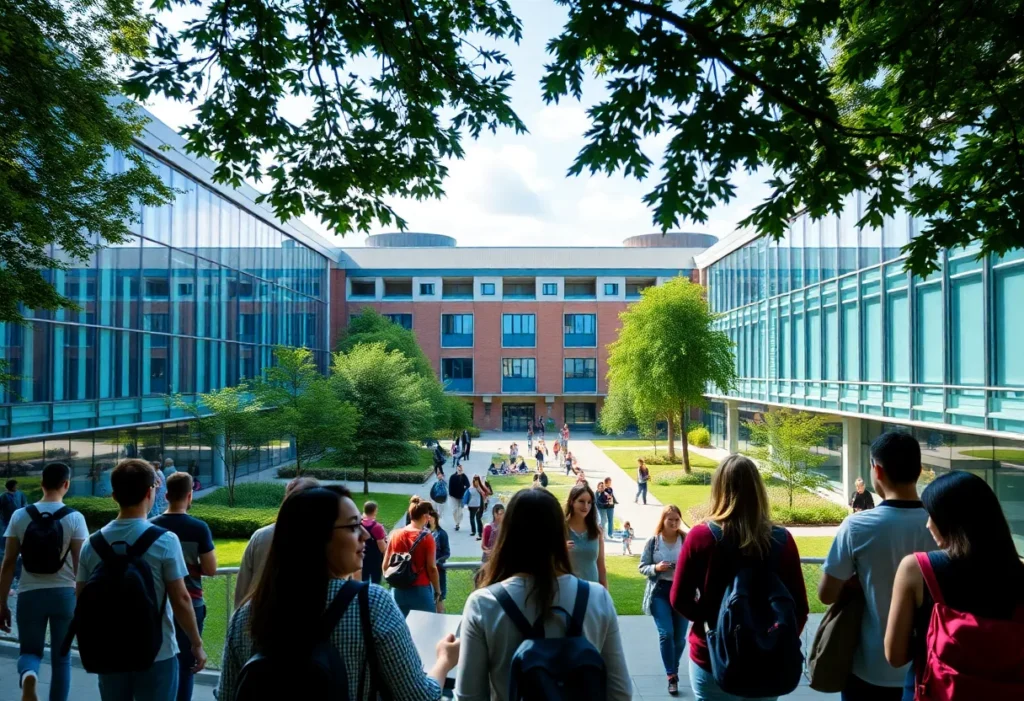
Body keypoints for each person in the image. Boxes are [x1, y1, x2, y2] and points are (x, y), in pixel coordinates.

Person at [217, 485, 457, 701]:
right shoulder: (371, 604)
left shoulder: (245, 617)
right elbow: (417, 696)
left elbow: (228, 695)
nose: (364, 535)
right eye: (353, 526)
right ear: (320, 537)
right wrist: (444, 661)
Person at [456, 488, 631, 701]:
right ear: (559, 534)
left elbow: (469, 696)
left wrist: (445, 660)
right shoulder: (597, 598)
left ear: (508, 535)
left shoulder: (484, 604)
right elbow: (620, 692)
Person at [671, 454, 809, 701]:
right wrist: (771, 640)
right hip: (767, 663)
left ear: (719, 489)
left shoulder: (701, 537)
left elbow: (679, 598)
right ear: (758, 490)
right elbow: (799, 607)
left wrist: (710, 621)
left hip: (712, 658)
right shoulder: (782, 540)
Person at [884, 471, 1024, 701]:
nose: (928, 524)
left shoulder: (916, 569)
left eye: (932, 515)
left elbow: (895, 655)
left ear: (951, 521)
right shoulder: (1020, 575)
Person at [818, 432, 935, 701]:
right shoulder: (941, 525)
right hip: (928, 665)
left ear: (877, 471)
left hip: (870, 667)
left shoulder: (857, 526)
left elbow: (826, 595)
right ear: (918, 471)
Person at [76, 459, 206, 700]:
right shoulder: (165, 540)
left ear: (114, 495)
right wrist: (195, 643)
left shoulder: (91, 545)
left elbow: (81, 598)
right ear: (150, 492)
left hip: (109, 650)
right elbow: (181, 599)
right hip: (158, 650)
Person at [0, 463, 87, 701]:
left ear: (42, 483)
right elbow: (82, 566)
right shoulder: (75, 518)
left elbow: (8, 563)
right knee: (62, 659)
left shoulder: (20, 515)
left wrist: (1, 603)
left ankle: (29, 675)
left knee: (29, 651)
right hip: (64, 596)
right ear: (66, 484)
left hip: (29, 594)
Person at [150, 472, 217, 701]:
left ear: (166, 495)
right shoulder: (199, 528)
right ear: (190, 496)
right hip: (192, 602)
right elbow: (210, 569)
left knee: (159, 661)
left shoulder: (151, 527)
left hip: (158, 603)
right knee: (187, 666)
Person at [235, 476, 320, 606]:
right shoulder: (328, 539)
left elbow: (242, 589)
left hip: (260, 616)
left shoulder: (262, 536)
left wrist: (238, 617)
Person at [639, 505, 688, 695]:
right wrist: (656, 568)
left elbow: (696, 565)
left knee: (679, 639)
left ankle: (672, 668)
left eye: (677, 519)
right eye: (670, 520)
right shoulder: (653, 541)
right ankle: (671, 676)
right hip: (660, 591)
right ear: (663, 520)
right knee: (666, 633)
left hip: (682, 591)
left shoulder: (686, 539)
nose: (674, 523)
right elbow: (643, 566)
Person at [384, 500, 443, 617]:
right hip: (420, 590)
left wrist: (394, 580)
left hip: (398, 590)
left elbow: (385, 565)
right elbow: (431, 568)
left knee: (402, 630)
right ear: (425, 516)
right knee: (426, 629)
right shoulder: (427, 537)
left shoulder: (395, 534)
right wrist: (438, 593)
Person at [565, 483, 607, 588]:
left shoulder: (596, 531)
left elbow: (601, 565)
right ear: (571, 502)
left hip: (592, 590)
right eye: (581, 501)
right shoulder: (560, 529)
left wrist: (605, 593)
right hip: (568, 591)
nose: (586, 506)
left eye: (589, 502)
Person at [0, 479, 27, 588]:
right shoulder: (4, 496)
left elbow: (25, 505)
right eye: (15, 485)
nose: (16, 487)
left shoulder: (20, 494)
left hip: (19, 523)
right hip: (7, 523)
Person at [360, 501, 388, 584]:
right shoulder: (377, 527)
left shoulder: (359, 524)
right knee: (375, 581)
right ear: (375, 511)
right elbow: (382, 547)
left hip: (362, 556)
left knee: (364, 580)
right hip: (375, 558)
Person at [429, 511, 450, 604]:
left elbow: (447, 553)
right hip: (426, 570)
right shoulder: (424, 533)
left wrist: (437, 561)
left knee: (439, 597)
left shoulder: (442, 534)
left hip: (438, 570)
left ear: (435, 519)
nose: (428, 519)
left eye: (431, 517)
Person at [447, 464, 470, 531]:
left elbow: (468, 485)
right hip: (454, 496)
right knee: (454, 510)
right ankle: (456, 521)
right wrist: (450, 494)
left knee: (460, 510)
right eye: (458, 468)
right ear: (456, 469)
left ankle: (458, 523)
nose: (460, 470)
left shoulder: (464, 476)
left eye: (461, 468)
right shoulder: (452, 476)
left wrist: (463, 475)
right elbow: (450, 486)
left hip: (462, 497)